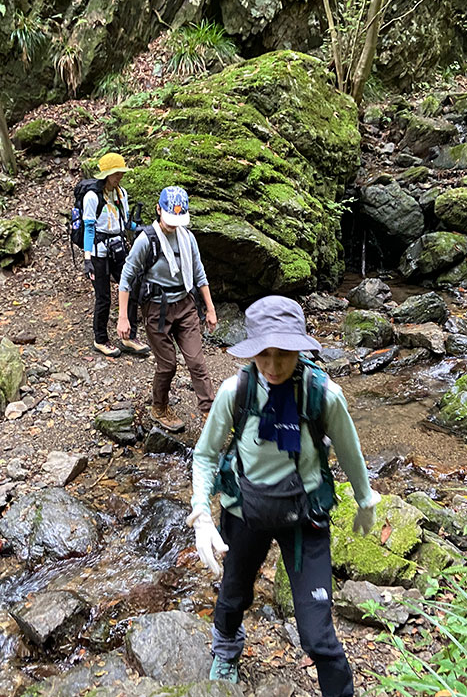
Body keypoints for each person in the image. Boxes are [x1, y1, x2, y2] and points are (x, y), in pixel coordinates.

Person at [187, 295, 382, 696]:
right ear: (252, 351)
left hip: (305, 517)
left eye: (284, 355)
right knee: (232, 596)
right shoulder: (234, 392)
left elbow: (350, 450)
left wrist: (366, 499)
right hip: (244, 511)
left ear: (300, 349)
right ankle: (226, 650)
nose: (274, 367)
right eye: (264, 355)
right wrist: (202, 516)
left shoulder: (323, 394)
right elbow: (205, 454)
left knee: (318, 636)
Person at [117, 186, 217, 433]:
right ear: (158, 209)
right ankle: (159, 406)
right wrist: (122, 318)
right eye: (170, 219)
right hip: (156, 309)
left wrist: (210, 309)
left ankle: (209, 412)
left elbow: (199, 273)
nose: (174, 225)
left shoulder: (188, 238)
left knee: (196, 361)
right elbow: (126, 278)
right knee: (168, 364)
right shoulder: (146, 240)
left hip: (185, 304)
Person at [82, 152, 150, 358]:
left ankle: (129, 336)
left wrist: (137, 226)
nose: (120, 176)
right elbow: (89, 228)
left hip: (118, 248)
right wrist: (87, 259)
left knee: (130, 288)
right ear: (106, 174)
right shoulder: (92, 197)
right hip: (98, 252)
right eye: (116, 173)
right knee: (103, 297)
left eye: (121, 172)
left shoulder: (122, 194)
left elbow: (125, 223)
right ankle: (100, 339)